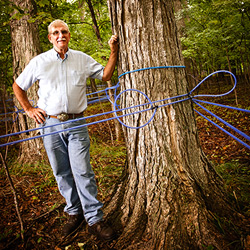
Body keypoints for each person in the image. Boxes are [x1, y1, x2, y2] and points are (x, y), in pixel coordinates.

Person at [13, 19, 118, 241]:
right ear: (50, 38)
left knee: (82, 170)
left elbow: (105, 75)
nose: (61, 35)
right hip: (49, 125)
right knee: (61, 171)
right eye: (56, 32)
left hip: (77, 122)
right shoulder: (40, 62)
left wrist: (113, 51)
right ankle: (74, 212)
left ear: (69, 35)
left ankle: (94, 219)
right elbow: (18, 86)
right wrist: (29, 109)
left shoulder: (81, 59)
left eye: (64, 32)